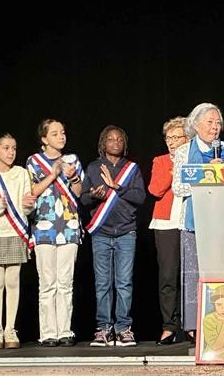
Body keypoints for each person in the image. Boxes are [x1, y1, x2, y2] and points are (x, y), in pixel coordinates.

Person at [172, 103, 224, 346]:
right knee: (194, 275)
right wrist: (205, 173)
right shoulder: (183, 152)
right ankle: (195, 328)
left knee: (222, 275)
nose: (215, 127)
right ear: (196, 125)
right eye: (210, 122)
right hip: (193, 223)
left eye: (218, 122)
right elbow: (178, 187)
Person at [81, 125, 145, 347]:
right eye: (110, 139)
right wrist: (93, 195)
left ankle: (123, 328)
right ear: (103, 143)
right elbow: (83, 200)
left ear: (124, 143)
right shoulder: (93, 167)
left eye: (119, 139)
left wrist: (117, 186)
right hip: (101, 232)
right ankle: (104, 329)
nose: (115, 142)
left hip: (126, 231)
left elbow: (140, 197)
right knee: (102, 284)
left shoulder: (132, 169)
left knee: (124, 283)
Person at [26, 119, 84, 347]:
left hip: (68, 226)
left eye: (63, 132)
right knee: (47, 283)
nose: (61, 137)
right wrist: (53, 174)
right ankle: (48, 332)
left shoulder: (73, 160)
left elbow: (79, 192)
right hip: (43, 228)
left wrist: (72, 176)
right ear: (44, 139)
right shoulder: (34, 161)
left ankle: (65, 331)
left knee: (65, 282)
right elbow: (32, 191)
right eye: (55, 133)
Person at [0, 133, 36, 349]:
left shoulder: (21, 174)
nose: (11, 152)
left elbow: (27, 206)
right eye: (6, 148)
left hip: (15, 232)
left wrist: (28, 205)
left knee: (13, 281)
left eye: (14, 148)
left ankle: (10, 328)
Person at [148, 117, 189, 345]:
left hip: (190, 221)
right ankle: (169, 325)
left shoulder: (195, 159)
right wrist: (174, 169)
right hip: (166, 223)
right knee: (168, 276)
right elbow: (154, 189)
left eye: (177, 138)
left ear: (187, 139)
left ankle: (191, 325)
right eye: (169, 138)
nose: (172, 142)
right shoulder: (161, 161)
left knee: (190, 276)